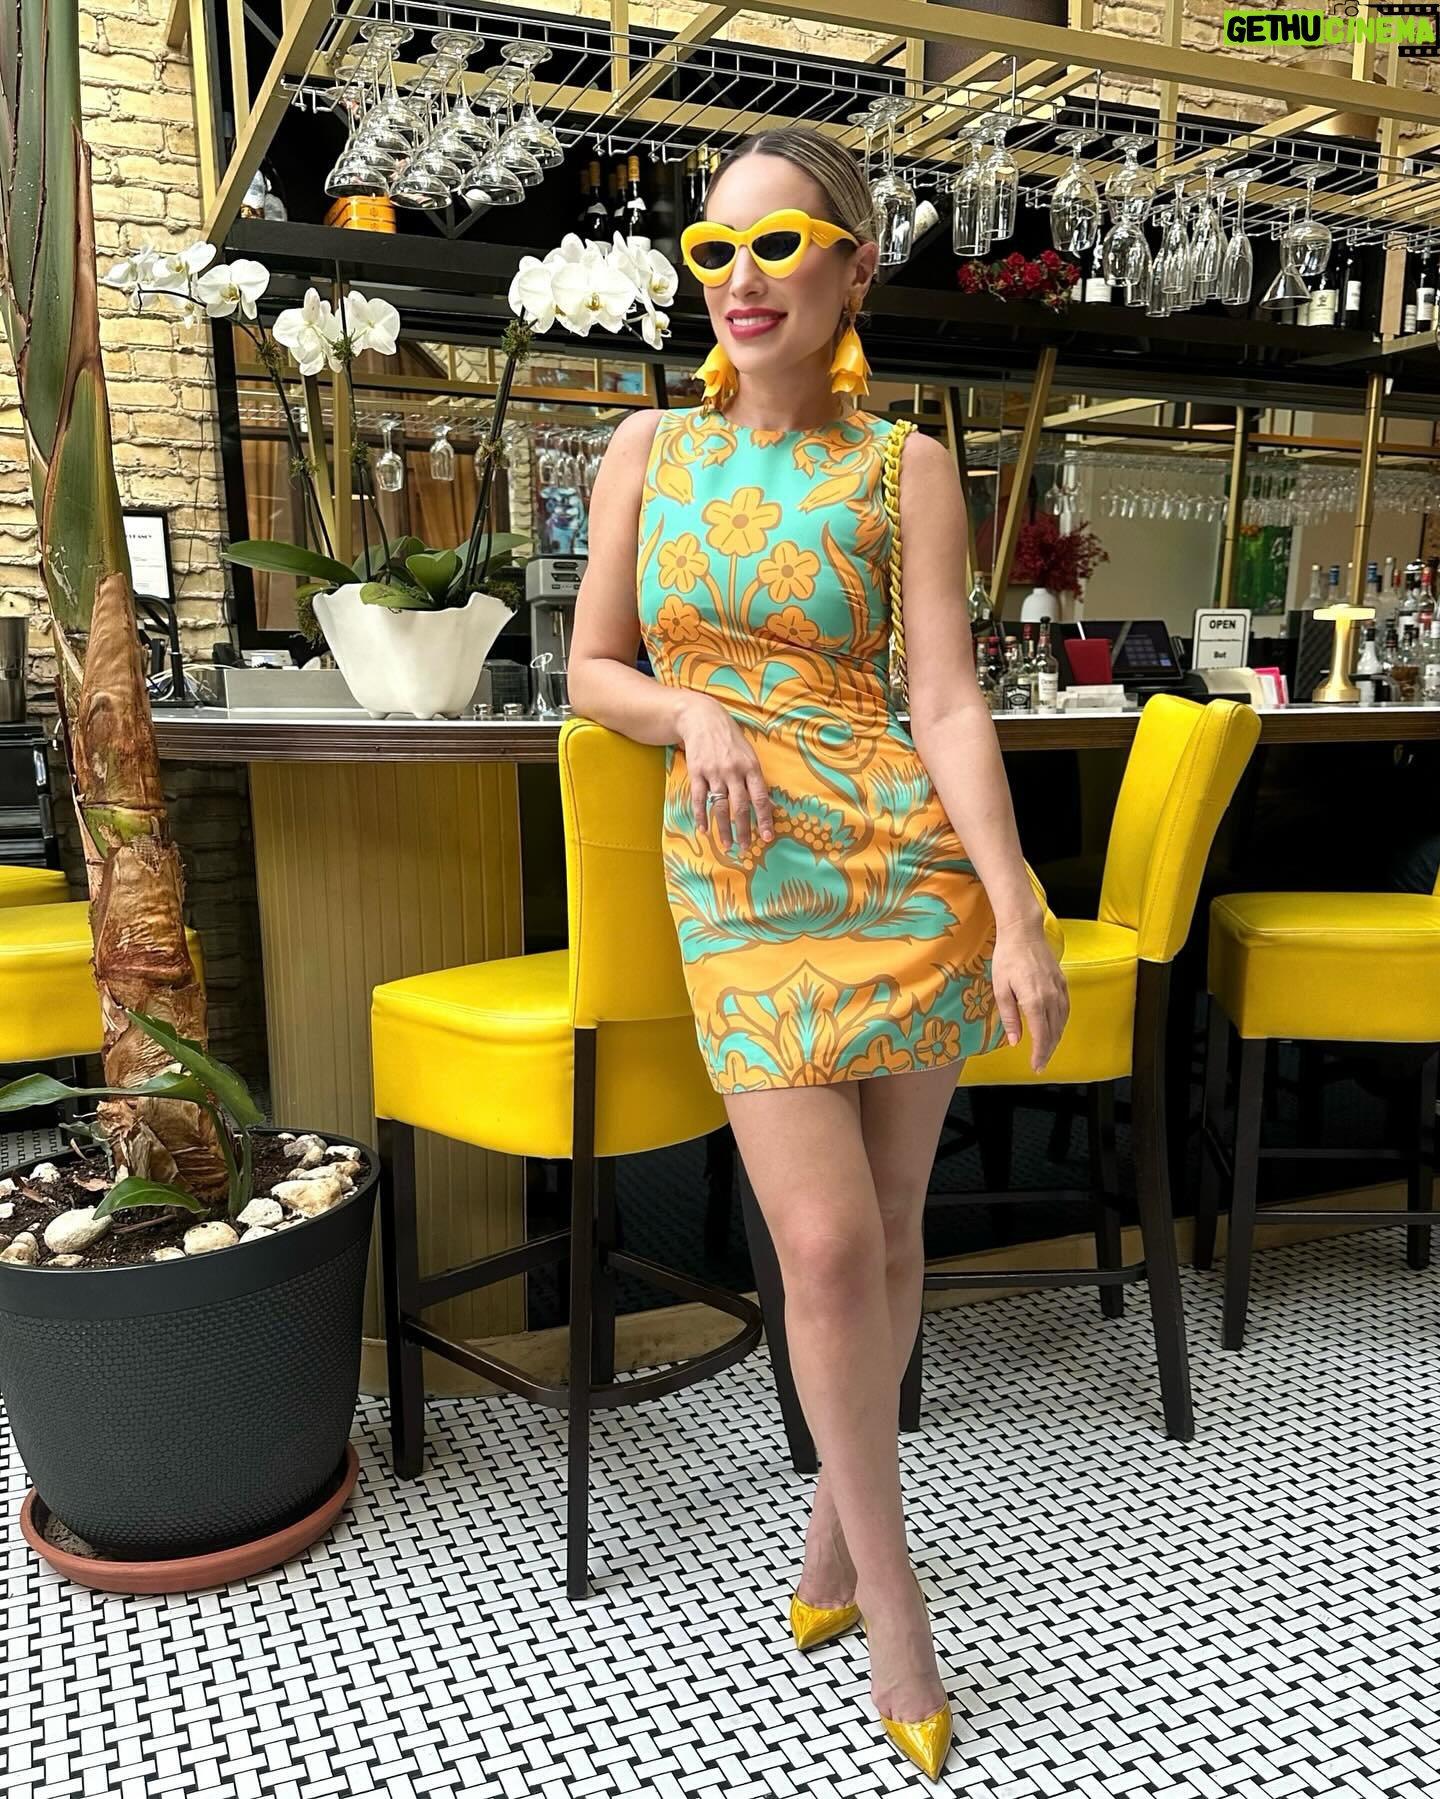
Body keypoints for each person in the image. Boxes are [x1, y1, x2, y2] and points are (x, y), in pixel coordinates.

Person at [567, 126, 1068, 1781]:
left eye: (778, 246)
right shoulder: (648, 447)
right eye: (716, 250)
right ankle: (898, 1592)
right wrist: (688, 709)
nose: (742, 279)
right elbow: (590, 669)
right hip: (738, 880)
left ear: (853, 268)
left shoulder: (906, 465)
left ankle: (838, 1546)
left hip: (903, 870)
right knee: (829, 1243)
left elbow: (946, 703)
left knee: (895, 1228)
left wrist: (1013, 906)